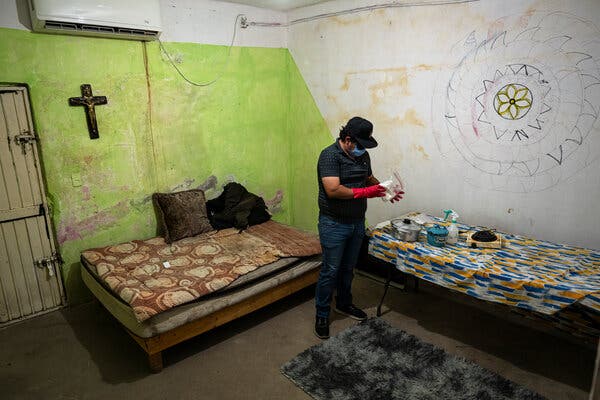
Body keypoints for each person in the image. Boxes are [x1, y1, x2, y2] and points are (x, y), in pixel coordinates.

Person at [314, 116, 403, 339]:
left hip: (356, 222)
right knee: (330, 270)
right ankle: (322, 314)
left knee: (348, 268)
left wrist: (384, 190)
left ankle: (344, 303)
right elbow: (333, 190)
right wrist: (366, 193)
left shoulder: (363, 155)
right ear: (347, 139)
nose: (363, 150)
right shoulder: (329, 156)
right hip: (333, 223)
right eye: (360, 145)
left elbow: (368, 177)